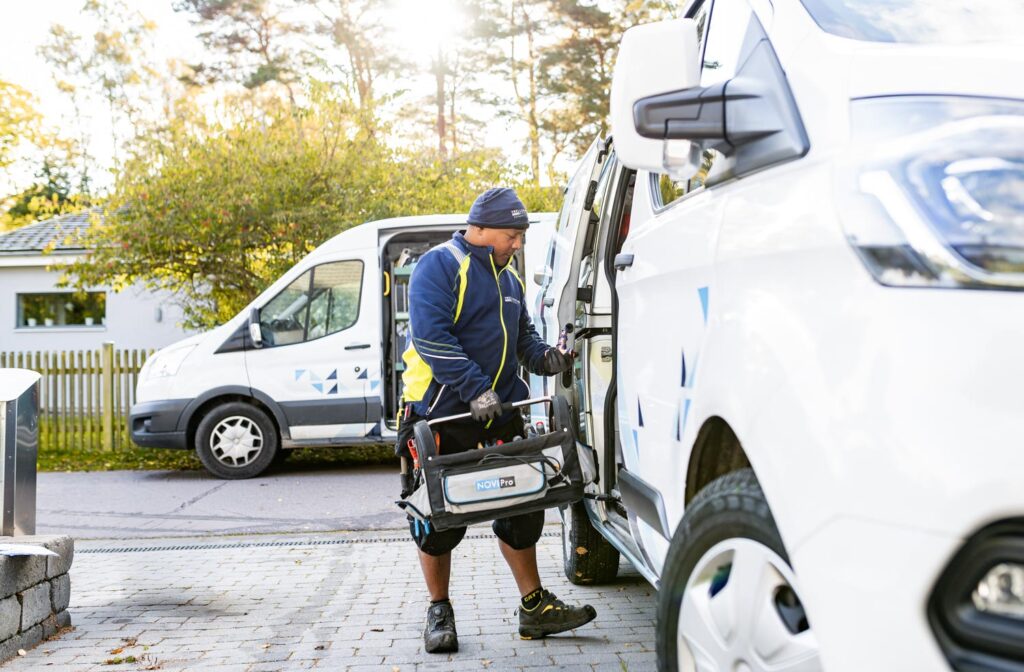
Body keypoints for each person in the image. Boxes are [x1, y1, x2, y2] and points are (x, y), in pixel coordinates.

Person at [397, 187, 597, 653]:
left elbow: (523, 338)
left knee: (524, 505)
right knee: (439, 519)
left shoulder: (510, 280)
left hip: (501, 412)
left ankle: (534, 607)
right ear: (480, 228)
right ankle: (439, 611)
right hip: (442, 412)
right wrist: (475, 389)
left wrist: (550, 358)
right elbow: (431, 337)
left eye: (521, 236)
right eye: (511, 235)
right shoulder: (441, 266)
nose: (518, 245)